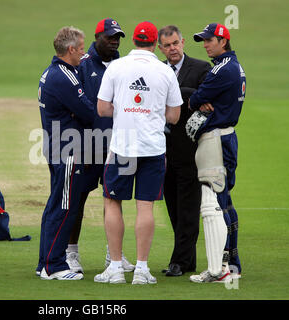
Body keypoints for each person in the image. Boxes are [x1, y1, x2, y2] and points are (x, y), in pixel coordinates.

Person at [95, 21, 182, 284]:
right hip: (153, 147)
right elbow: (175, 116)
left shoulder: (116, 67)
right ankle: (142, 270)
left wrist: (124, 111)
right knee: (145, 207)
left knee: (113, 202)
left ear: (133, 41)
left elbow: (102, 108)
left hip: (123, 145)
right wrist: (152, 114)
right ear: (156, 43)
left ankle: (116, 268)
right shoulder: (165, 71)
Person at [66, 18, 135, 274]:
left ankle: (113, 255)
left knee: (114, 199)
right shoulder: (82, 65)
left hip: (117, 145)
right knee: (78, 199)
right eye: (109, 37)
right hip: (86, 145)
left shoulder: (123, 65)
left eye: (117, 37)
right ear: (97, 37)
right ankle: (71, 253)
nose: (114, 41)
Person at [185, 23, 246, 283]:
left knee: (216, 205)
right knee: (225, 202)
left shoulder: (221, 69)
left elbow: (197, 98)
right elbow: (201, 96)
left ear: (223, 40)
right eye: (203, 41)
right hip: (226, 137)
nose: (206, 44)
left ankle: (220, 268)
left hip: (216, 140)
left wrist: (194, 99)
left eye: (210, 40)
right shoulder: (234, 66)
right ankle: (232, 264)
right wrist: (198, 97)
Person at [36, 26, 95, 280]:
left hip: (55, 146)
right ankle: (55, 265)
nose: (84, 54)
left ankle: (45, 262)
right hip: (68, 150)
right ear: (70, 49)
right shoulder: (65, 77)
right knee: (64, 206)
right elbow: (90, 113)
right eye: (81, 49)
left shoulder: (50, 73)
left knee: (55, 205)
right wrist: (78, 114)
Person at [157, 25, 211, 277]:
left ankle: (179, 261)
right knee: (173, 207)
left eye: (176, 43)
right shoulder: (156, 70)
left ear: (183, 42)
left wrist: (179, 94)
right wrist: (190, 96)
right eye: (167, 45)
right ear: (160, 48)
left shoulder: (201, 68)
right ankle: (187, 260)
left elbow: (206, 101)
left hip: (191, 150)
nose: (173, 49)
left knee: (188, 208)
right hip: (162, 152)